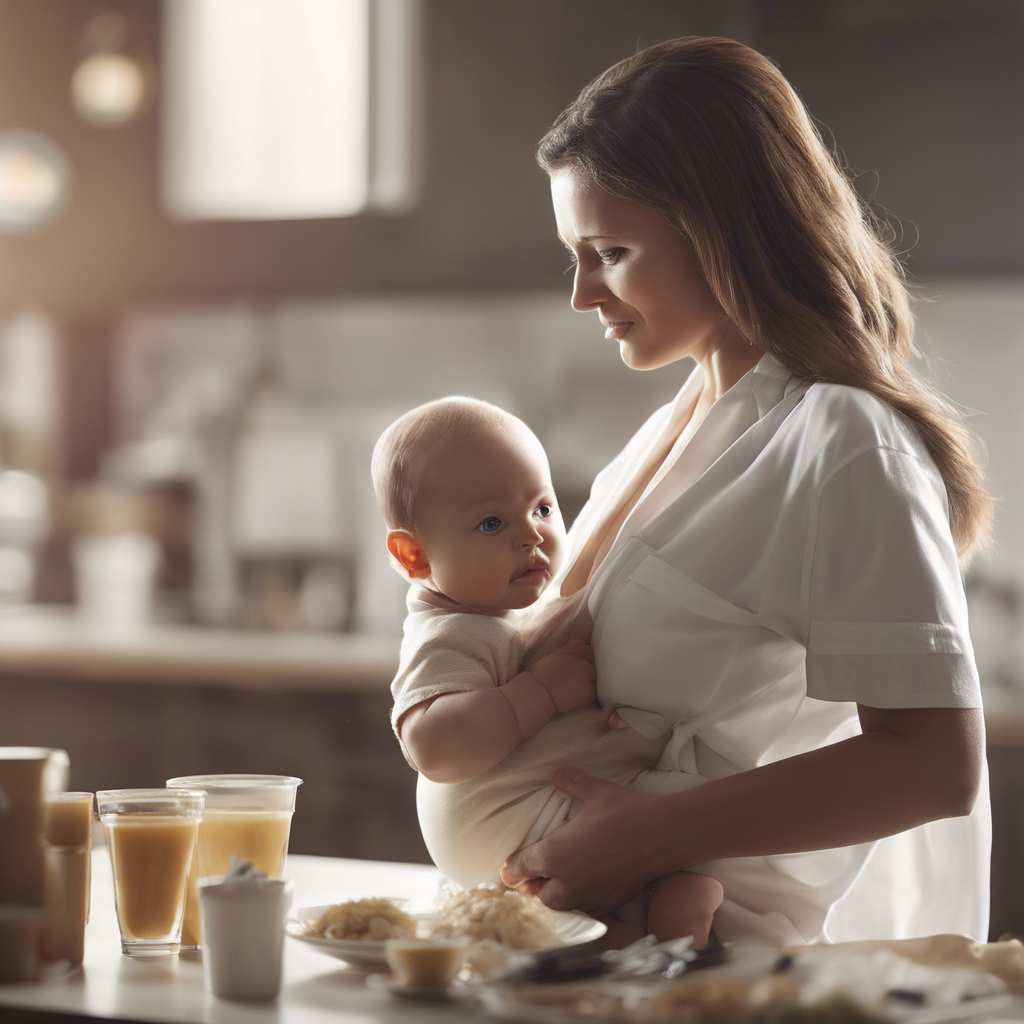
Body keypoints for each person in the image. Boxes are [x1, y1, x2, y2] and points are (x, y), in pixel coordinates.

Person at [499, 36, 993, 947]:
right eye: (576, 254)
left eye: (609, 250)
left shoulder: (843, 440)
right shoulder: (670, 431)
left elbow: (932, 768)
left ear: (723, 226)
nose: (582, 294)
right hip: (612, 965)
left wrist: (645, 838)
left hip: (741, 972)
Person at [371, 395, 725, 946]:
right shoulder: (450, 631)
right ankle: (673, 928)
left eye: (541, 507)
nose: (530, 535)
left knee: (573, 920)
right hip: (507, 821)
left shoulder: (497, 615)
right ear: (414, 557)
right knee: (687, 809)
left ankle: (638, 935)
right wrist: (535, 694)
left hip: (511, 822)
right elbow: (432, 744)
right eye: (491, 523)